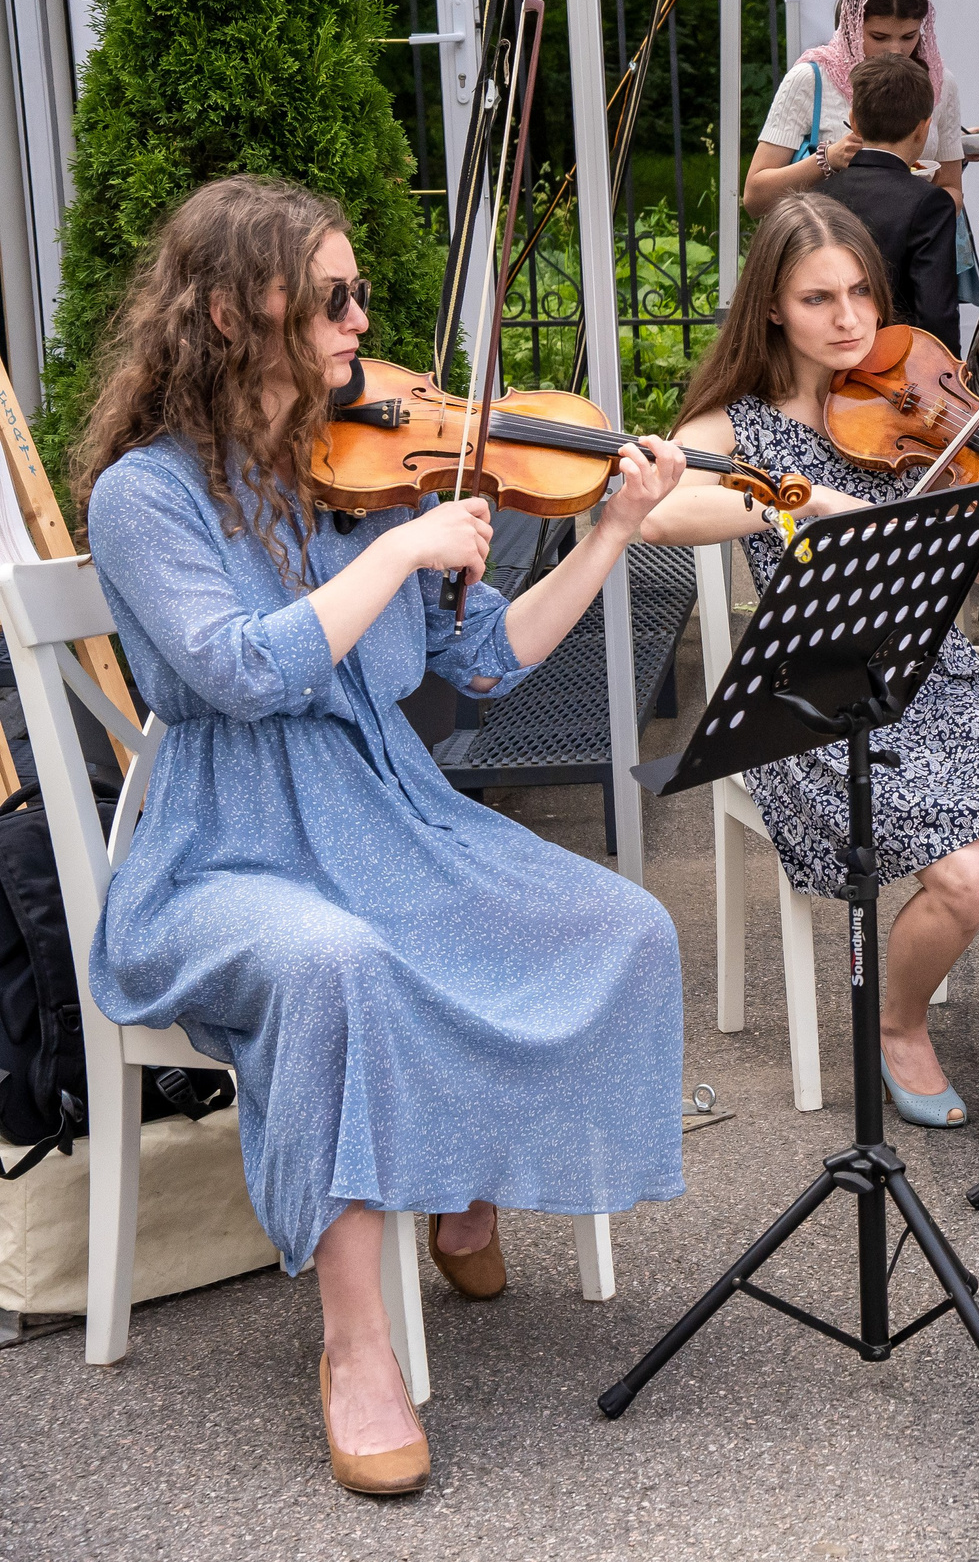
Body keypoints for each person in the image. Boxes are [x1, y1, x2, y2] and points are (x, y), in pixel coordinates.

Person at [76, 176, 691, 1494]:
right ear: (239, 312)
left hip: (391, 812)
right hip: (226, 851)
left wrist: (610, 534)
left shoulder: (367, 468)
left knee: (617, 924)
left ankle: (461, 1175)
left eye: (360, 295)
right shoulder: (148, 496)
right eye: (335, 297)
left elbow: (484, 666)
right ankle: (355, 1347)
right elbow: (237, 673)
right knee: (334, 965)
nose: (365, 322)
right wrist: (397, 556)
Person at [639, 193, 979, 1155]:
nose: (850, 320)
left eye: (860, 293)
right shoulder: (743, 427)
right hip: (812, 692)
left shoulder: (909, 405)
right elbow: (656, 511)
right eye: (818, 299)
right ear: (772, 307)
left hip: (932, 673)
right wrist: (793, 503)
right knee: (966, 877)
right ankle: (897, 1024)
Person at [745, 0, 978, 216]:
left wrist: (920, 207)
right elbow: (755, 198)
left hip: (913, 246)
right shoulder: (812, 78)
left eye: (909, 36)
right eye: (879, 37)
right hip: (829, 243)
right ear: (851, 28)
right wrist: (828, 160)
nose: (896, 50)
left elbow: (952, 188)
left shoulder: (939, 84)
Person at [822, 54, 961, 351]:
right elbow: (936, 311)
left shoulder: (820, 195)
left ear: (855, 122)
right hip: (897, 368)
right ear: (923, 128)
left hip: (830, 355)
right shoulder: (930, 202)